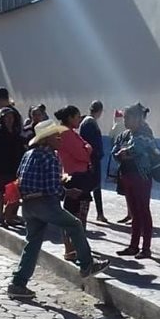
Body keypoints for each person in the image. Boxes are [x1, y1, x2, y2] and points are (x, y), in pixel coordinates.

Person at [7, 120, 110, 300]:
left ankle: (18, 283)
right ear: (47, 139)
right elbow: (51, 188)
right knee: (75, 225)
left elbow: (20, 177)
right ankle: (87, 264)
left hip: (28, 205)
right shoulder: (51, 156)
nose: (60, 138)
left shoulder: (29, 154)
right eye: (56, 135)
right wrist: (66, 190)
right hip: (45, 204)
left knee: (32, 244)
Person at [112, 103, 159, 259]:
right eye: (124, 117)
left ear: (138, 118)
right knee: (134, 212)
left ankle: (146, 248)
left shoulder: (145, 132)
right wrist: (124, 152)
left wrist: (125, 152)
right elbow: (115, 152)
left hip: (141, 177)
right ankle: (133, 246)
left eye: (128, 117)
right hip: (127, 176)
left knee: (143, 210)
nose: (125, 120)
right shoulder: (125, 134)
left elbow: (136, 148)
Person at [55, 105, 94, 260]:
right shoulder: (67, 134)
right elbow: (84, 154)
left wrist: (87, 148)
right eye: (77, 117)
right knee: (74, 215)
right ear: (70, 117)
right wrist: (87, 149)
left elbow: (86, 146)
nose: (79, 119)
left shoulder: (70, 133)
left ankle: (74, 247)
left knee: (74, 213)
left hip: (74, 175)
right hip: (76, 176)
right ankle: (72, 248)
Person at [0, 107, 26, 227]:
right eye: (7, 117)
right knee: (1, 192)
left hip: (15, 166)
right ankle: (1, 216)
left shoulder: (17, 131)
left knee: (14, 193)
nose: (9, 119)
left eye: (11, 117)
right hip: (1, 166)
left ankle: (9, 216)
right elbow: (1, 148)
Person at [79, 101, 107, 223]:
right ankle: (92, 213)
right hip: (92, 158)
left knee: (95, 186)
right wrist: (97, 155)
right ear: (99, 111)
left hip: (91, 157)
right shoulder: (90, 123)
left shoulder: (87, 121)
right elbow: (93, 143)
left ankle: (98, 213)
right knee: (93, 185)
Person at [108, 109, 132, 225]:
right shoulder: (125, 133)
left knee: (131, 193)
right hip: (125, 168)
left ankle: (132, 214)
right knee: (128, 192)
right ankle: (131, 214)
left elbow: (110, 135)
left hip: (129, 168)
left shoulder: (118, 126)